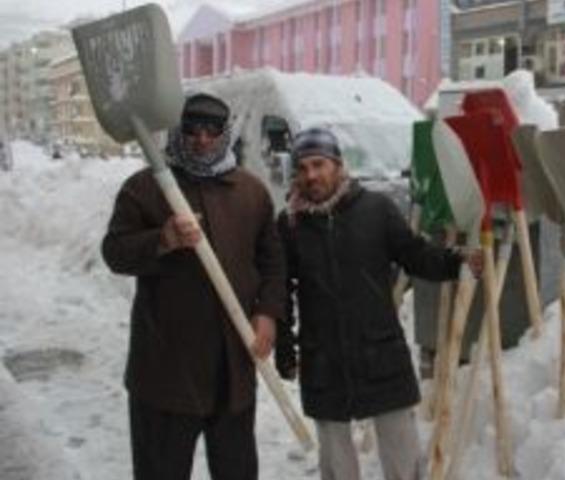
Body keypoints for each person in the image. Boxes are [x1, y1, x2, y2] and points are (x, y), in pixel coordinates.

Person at [275, 127, 482, 480]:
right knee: (337, 465)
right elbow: (282, 287)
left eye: (319, 164)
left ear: (338, 165)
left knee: (402, 457)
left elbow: (415, 255)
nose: (311, 175)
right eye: (303, 167)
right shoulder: (291, 225)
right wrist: (285, 343)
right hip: (323, 356)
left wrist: (455, 261)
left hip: (379, 351)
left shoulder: (375, 209)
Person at [101, 92, 284, 480]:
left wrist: (268, 313)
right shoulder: (146, 188)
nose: (202, 138)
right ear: (178, 132)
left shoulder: (251, 192)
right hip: (166, 375)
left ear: (225, 133)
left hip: (231, 373)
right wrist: (162, 240)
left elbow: (273, 263)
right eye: (193, 129)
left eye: (212, 130)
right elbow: (114, 252)